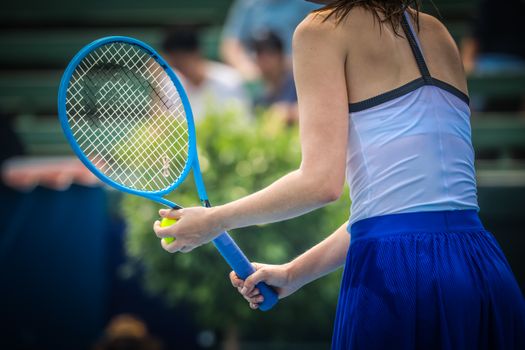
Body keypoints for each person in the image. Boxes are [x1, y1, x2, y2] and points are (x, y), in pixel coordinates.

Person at [154, 1, 525, 349]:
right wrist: (293, 273)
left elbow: (321, 185)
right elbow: (396, 209)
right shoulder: (438, 32)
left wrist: (213, 221)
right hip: (483, 268)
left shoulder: (320, 30)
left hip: (396, 280)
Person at [162, 28, 251, 121]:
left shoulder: (230, 80)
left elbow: (242, 121)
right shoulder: (169, 85)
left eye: (182, 61)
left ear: (197, 53)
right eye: (177, 64)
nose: (182, 69)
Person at [220, 0, 319, 80]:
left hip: (295, 71)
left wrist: (293, 65)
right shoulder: (247, 4)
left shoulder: (309, 3)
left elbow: (319, 42)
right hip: (256, 73)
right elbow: (231, 45)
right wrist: (247, 68)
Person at [250, 31, 299, 124]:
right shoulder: (258, 99)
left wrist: (290, 113)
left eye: (270, 52)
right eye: (259, 53)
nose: (264, 59)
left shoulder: (298, 84)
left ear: (281, 56)